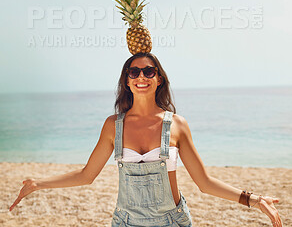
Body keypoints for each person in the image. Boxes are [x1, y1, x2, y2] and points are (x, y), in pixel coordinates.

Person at [9, 52, 283, 227]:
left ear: (159, 79)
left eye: (148, 71)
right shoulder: (112, 125)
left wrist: (254, 200)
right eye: (134, 72)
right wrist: (38, 184)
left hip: (172, 222)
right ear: (126, 81)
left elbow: (204, 182)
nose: (141, 76)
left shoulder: (176, 124)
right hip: (125, 222)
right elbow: (86, 175)